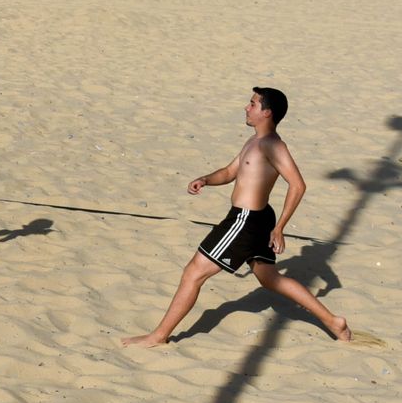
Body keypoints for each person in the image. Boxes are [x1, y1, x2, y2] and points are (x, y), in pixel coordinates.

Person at [123, 88, 352, 346]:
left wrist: (280, 228)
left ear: (267, 112)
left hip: (244, 221)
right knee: (271, 279)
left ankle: (159, 336)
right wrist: (206, 179)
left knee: (193, 273)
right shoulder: (254, 141)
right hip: (256, 218)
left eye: (252, 104)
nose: (246, 107)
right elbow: (231, 171)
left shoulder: (272, 145)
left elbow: (298, 185)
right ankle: (334, 321)